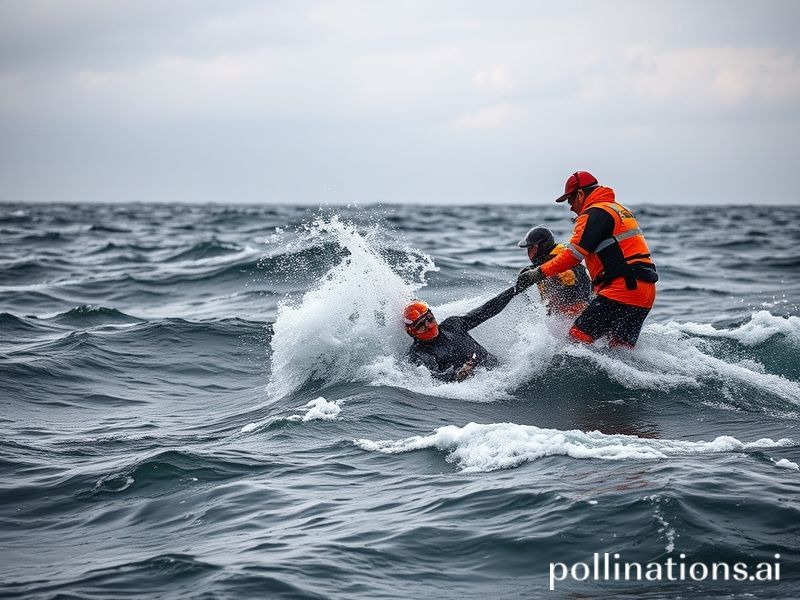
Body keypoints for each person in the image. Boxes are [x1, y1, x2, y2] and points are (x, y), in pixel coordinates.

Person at [516, 171, 657, 348]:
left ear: (581, 194)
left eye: (570, 200)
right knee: (620, 352)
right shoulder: (619, 209)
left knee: (576, 342)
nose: (571, 207)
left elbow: (572, 256)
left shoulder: (594, 213)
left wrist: (537, 273)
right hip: (644, 292)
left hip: (622, 289)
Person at [404, 284, 518, 382]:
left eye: (429, 319)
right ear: (411, 332)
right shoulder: (419, 355)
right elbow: (430, 382)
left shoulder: (453, 325)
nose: (428, 326)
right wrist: (457, 377)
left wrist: (516, 288)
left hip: (507, 373)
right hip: (485, 388)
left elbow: (486, 310)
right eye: (420, 326)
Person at [517, 226, 590, 316]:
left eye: (530, 248)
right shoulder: (547, 261)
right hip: (563, 315)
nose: (529, 254)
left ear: (539, 247)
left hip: (577, 313)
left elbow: (574, 293)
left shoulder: (560, 263)